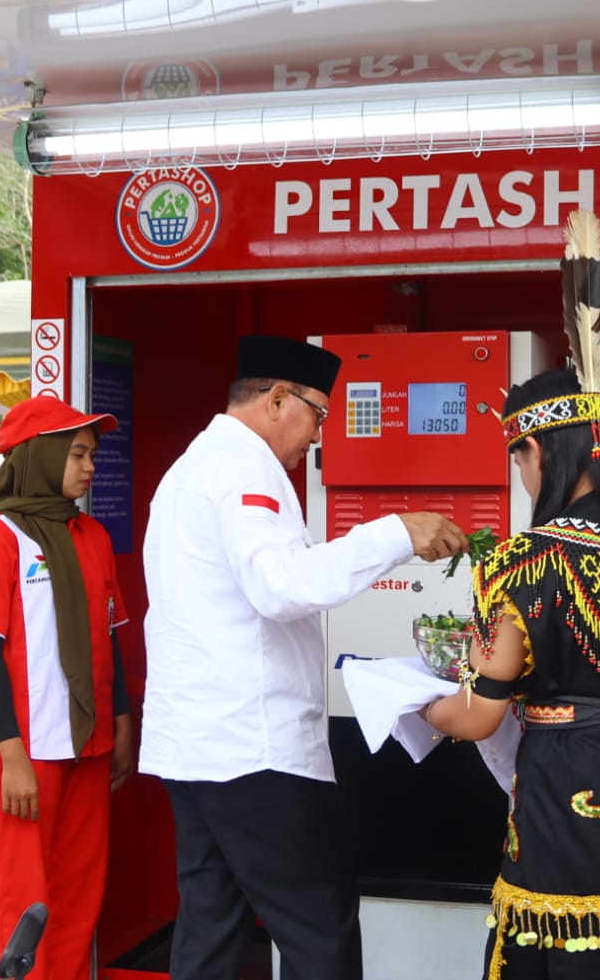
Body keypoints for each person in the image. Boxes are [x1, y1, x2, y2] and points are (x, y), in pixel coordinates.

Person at [139, 334, 466, 980]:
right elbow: (282, 584)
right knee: (320, 928)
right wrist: (396, 532)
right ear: (276, 399)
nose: (318, 435)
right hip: (253, 752)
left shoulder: (191, 468)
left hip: (197, 749)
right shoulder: (244, 468)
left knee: (211, 925)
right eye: (318, 413)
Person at [423, 367, 600, 980]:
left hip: (568, 801)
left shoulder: (524, 563)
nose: (523, 475)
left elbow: (478, 715)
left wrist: (415, 704)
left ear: (538, 449)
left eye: (519, 459)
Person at [0, 396, 134, 980]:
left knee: (79, 899)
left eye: (93, 455)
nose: (90, 467)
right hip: (25, 750)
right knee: (23, 901)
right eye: (78, 454)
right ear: (39, 456)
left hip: (88, 745)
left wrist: (121, 724)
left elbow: (110, 636)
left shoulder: (91, 534)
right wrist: (9, 755)